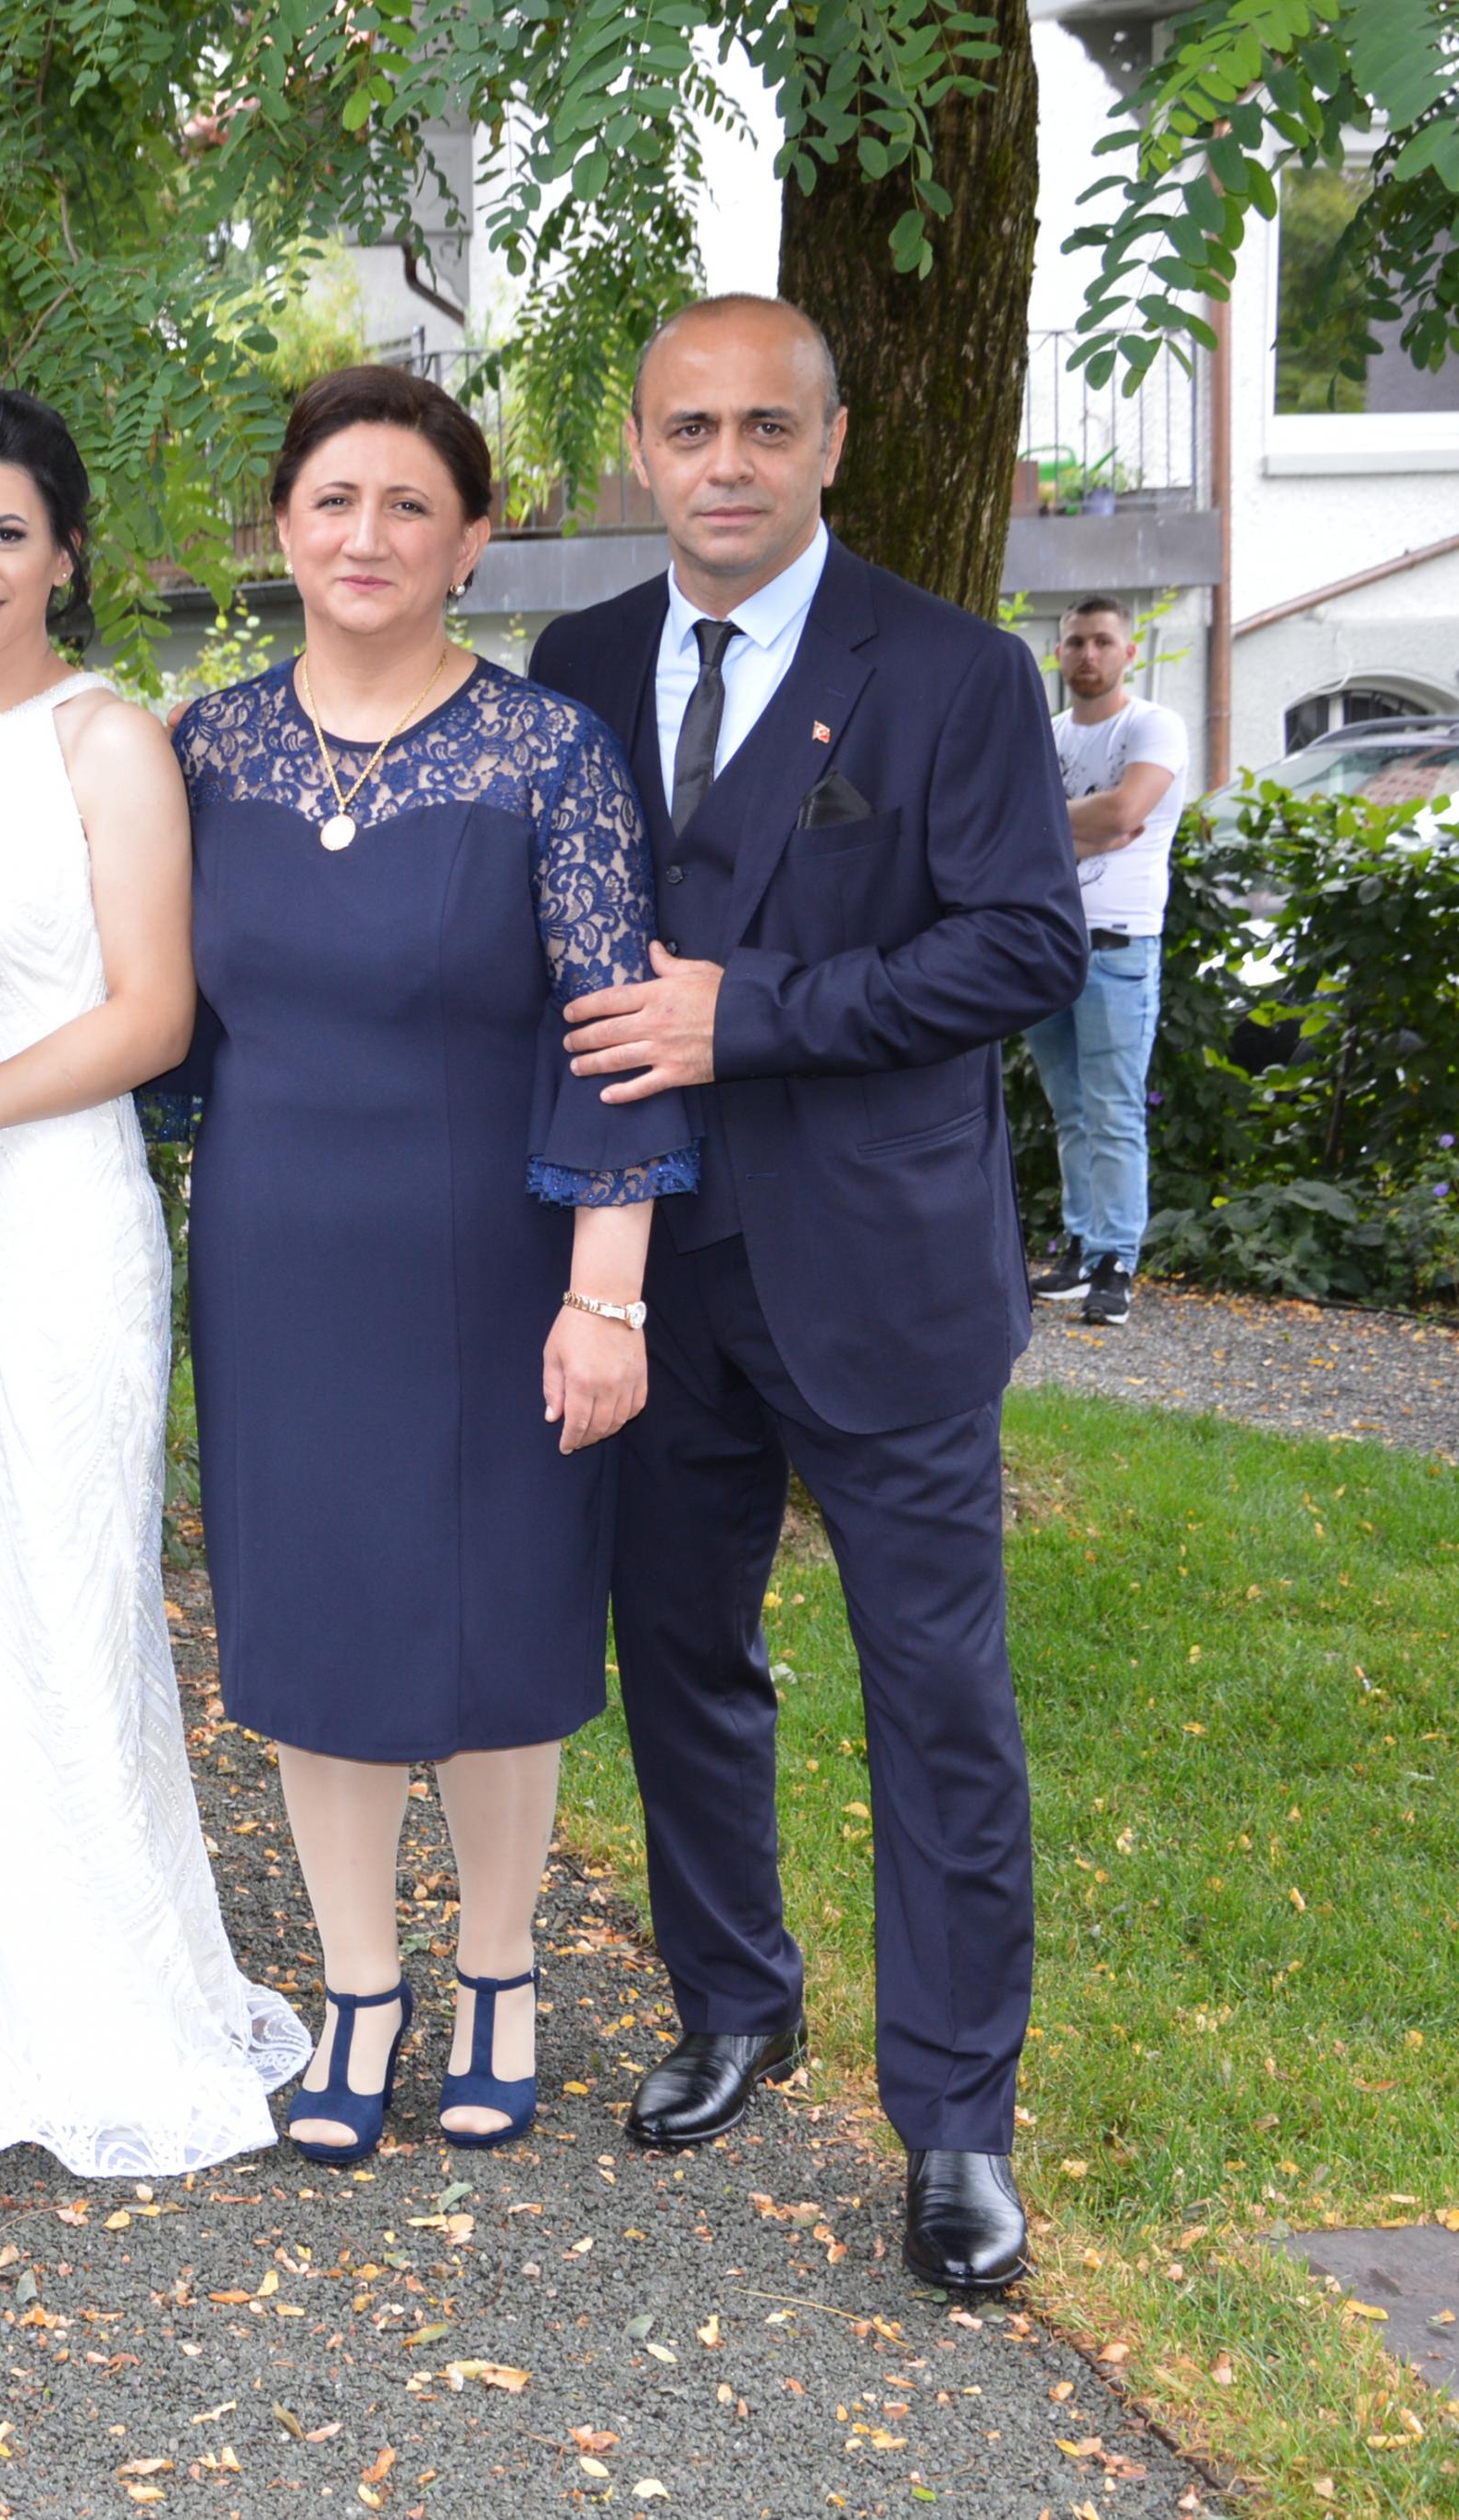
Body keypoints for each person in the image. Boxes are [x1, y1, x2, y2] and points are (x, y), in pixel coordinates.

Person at [533, 294, 1085, 2291]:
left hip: (882, 1277)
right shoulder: (579, 663)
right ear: (639, 446)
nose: (726, 463)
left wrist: (744, 1012)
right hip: (649, 1268)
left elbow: (1021, 945)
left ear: (831, 443)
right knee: (679, 1654)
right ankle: (731, 1997)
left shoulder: (952, 671)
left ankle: (955, 2121)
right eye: (689, 427)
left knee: (936, 1697)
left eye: (766, 426)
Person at [171, 366, 694, 2165]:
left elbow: (613, 1028)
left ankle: (496, 1971)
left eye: (409, 503)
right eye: (333, 498)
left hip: (490, 1261)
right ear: (281, 527)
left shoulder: (548, 751)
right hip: (273, 1265)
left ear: (471, 541)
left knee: (492, 1622)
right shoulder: (200, 751)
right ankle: (356, 1988)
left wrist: (605, 1291)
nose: (366, 533)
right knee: (312, 1626)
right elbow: (140, 1009)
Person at [0, 388, 308, 2177]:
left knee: (68, 1586)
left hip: (47, 1220)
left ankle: (113, 2000)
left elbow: (153, 1016)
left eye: (3, 534)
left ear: (65, 553)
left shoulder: (109, 744)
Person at [1022, 595, 1189, 1328]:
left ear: (1129, 652)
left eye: (1101, 641)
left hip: (1119, 942)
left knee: (1114, 1111)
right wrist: (1084, 825)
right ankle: (1083, 1247)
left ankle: (1117, 1260)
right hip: (1044, 941)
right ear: (1058, 653)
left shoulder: (1154, 725)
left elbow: (1125, 813)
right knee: (1070, 1110)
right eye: (1075, 643)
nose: (1087, 654)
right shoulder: (1045, 733)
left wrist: (1046, 824)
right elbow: (1010, 827)